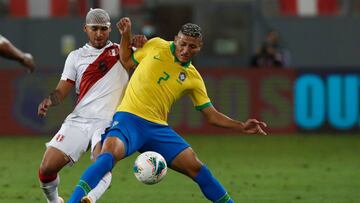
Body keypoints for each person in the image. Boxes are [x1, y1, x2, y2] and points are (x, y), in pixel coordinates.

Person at [68, 17, 267, 203]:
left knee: (199, 170)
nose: (185, 49)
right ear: (175, 39)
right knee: (108, 156)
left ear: (199, 48)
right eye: (182, 43)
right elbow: (127, 61)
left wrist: (241, 126)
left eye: (192, 46)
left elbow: (211, 115)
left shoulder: (193, 78)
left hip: (157, 129)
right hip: (129, 119)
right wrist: (126, 35)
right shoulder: (156, 45)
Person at [37, 10, 146, 203]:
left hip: (109, 121)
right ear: (85, 29)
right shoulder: (76, 57)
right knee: (46, 168)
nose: (99, 33)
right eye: (94, 29)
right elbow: (62, 91)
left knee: (102, 162)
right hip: (80, 120)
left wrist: (141, 42)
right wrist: (49, 100)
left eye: (103, 29)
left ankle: (90, 199)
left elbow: (140, 60)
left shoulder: (121, 51)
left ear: (110, 29)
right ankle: (54, 201)